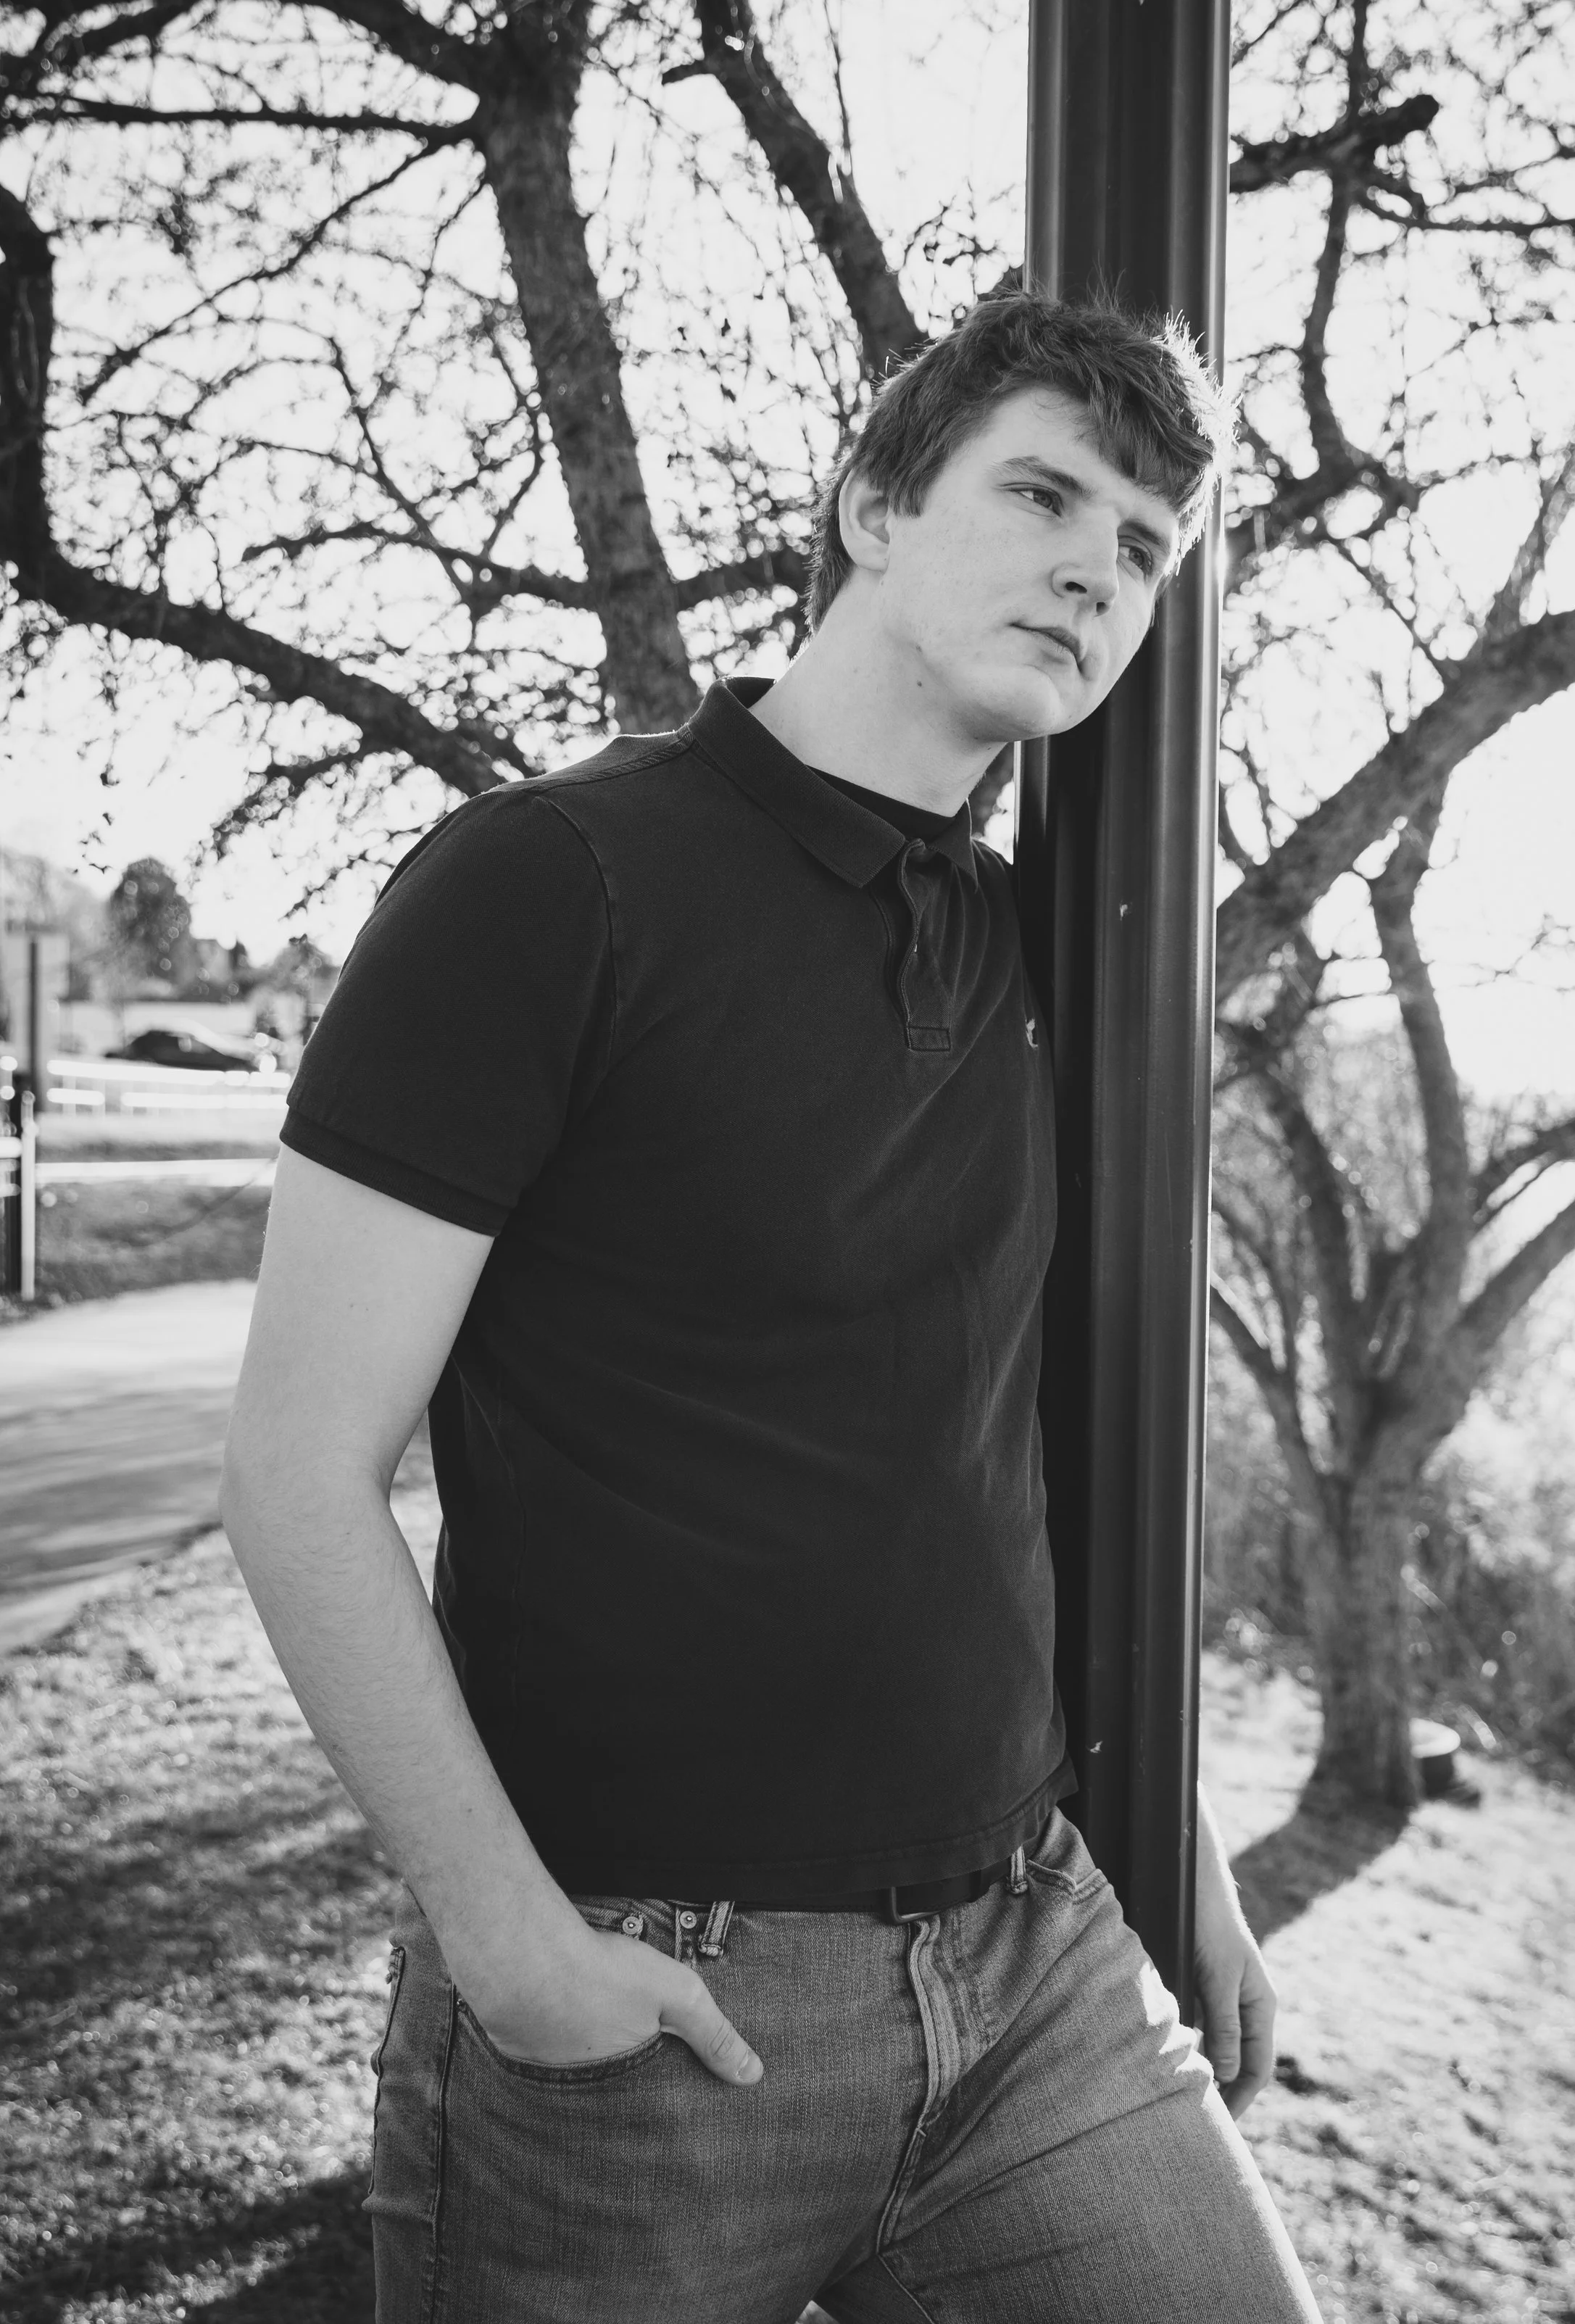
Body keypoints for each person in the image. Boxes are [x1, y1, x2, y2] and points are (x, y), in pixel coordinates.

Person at [222, 288, 1324, 2323]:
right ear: (872, 507)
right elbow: (297, 1468)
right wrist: (508, 1940)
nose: (1099, 568)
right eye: (1042, 494)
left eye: (1146, 547)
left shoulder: (1036, 950)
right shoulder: (548, 882)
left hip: (1034, 1961)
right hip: (650, 2004)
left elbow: (1016, 1453)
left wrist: (1180, 1848)